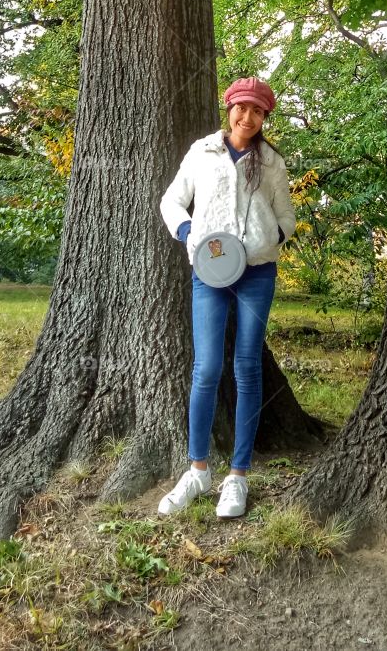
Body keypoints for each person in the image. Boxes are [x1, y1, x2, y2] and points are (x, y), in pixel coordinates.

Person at [157, 76, 296, 519]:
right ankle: (198, 470)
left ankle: (237, 476)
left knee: (247, 366)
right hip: (209, 274)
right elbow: (172, 201)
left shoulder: (272, 162)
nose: (247, 118)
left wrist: (269, 237)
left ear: (264, 117)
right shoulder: (203, 153)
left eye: (258, 111)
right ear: (229, 107)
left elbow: (286, 216)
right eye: (242, 108)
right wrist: (189, 235)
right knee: (207, 368)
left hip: (257, 274)